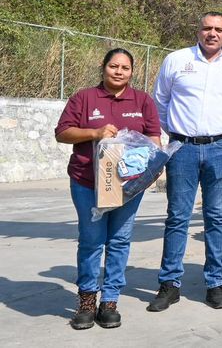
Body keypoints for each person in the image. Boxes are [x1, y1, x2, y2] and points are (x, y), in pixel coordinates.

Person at [55, 48, 162, 330]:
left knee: (119, 241)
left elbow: (153, 136)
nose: (118, 72)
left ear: (131, 72)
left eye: (125, 68)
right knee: (91, 241)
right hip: (87, 183)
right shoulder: (84, 98)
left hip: (128, 186)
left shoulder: (142, 101)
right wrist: (95, 133)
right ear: (104, 68)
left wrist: (152, 162)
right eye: (113, 66)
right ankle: (87, 300)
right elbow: (63, 132)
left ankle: (110, 300)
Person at [148, 12, 222, 311]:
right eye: (207, 28)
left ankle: (215, 284)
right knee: (177, 216)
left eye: (218, 29)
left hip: (221, 147)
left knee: (216, 218)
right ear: (198, 30)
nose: (212, 33)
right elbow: (159, 101)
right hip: (183, 149)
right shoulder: (176, 60)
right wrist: (176, 133)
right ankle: (169, 284)